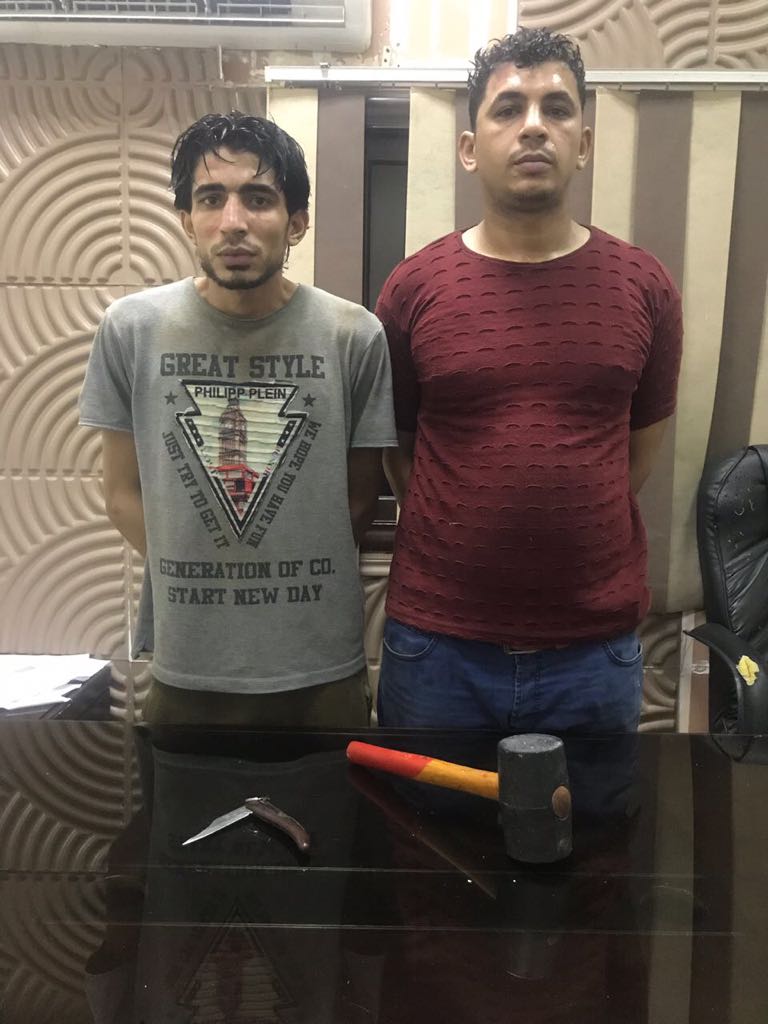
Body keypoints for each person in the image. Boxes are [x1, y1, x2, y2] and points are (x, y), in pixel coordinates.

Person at [375, 28, 683, 733]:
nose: (535, 126)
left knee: (596, 812)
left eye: (557, 108)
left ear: (584, 143)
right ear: (469, 147)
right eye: (509, 108)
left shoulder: (644, 286)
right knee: (423, 811)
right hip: (438, 645)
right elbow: (398, 447)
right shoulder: (413, 287)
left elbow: (637, 452)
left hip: (592, 650)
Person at [80, 112, 396, 727]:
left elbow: (358, 500)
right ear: (185, 220)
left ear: (296, 221)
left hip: (321, 668)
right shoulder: (131, 330)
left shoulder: (354, 335)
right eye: (210, 199)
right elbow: (120, 494)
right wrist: (211, 568)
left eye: (258, 198)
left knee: (333, 793)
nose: (233, 222)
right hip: (187, 664)